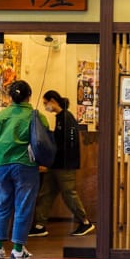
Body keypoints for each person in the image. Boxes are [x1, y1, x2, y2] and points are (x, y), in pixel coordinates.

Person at [0, 80, 48, 259]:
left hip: (1, 164)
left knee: (1, 204)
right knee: (23, 205)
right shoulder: (35, 116)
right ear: (29, 96)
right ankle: (18, 249)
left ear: (10, 97)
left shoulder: (0, 116)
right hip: (25, 165)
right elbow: (43, 141)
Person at [29, 90, 95, 238]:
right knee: (46, 193)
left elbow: (69, 143)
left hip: (64, 165)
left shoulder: (66, 118)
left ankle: (85, 222)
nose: (45, 107)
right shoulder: (61, 117)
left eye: (46, 103)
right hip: (55, 164)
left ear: (53, 101)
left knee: (69, 194)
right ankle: (40, 225)